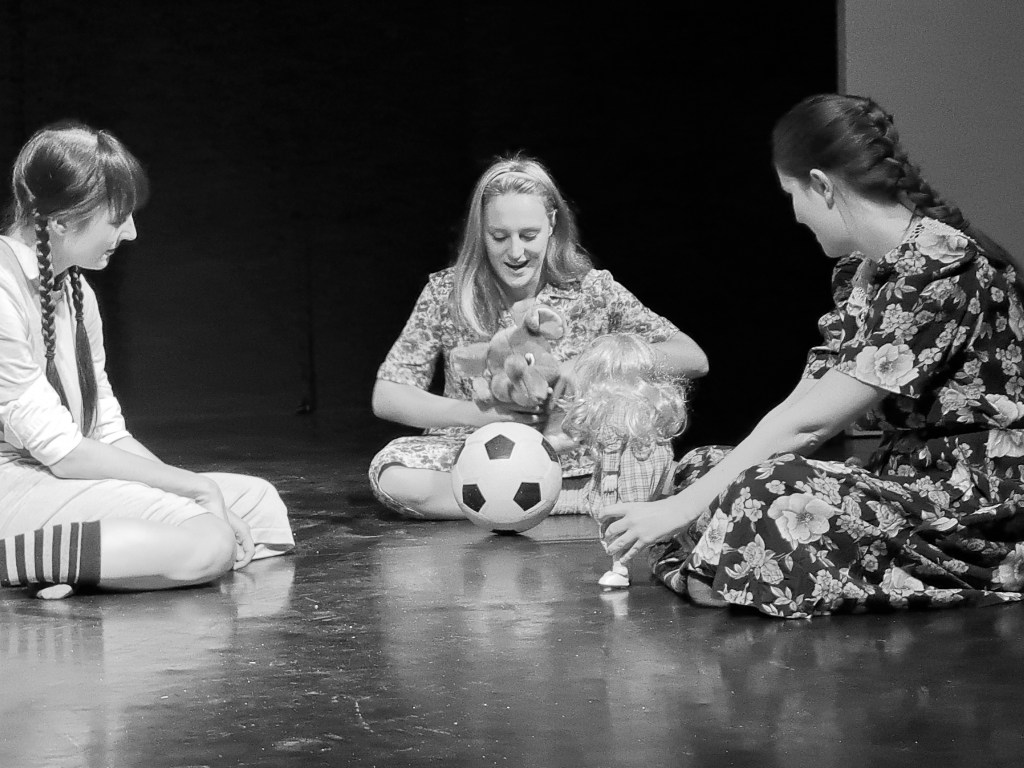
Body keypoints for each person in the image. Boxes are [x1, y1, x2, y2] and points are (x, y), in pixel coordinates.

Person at [601, 93, 1024, 619]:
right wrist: (693, 494)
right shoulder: (864, 271)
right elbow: (803, 403)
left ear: (821, 185)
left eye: (791, 194)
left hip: (974, 502)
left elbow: (811, 427)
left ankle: (713, 570)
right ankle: (721, 569)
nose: (795, 215)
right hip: (903, 477)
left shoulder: (942, 268)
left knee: (765, 489)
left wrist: (683, 510)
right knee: (703, 465)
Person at [0, 121, 294, 599]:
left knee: (258, 504)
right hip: (13, 483)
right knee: (210, 541)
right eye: (118, 218)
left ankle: (80, 561)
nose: (132, 232)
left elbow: (106, 432)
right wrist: (194, 493)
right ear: (60, 221)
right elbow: (65, 453)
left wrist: (186, 488)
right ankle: (41, 559)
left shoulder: (77, 292)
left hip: (52, 477)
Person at [370, 154, 708, 519]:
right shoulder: (447, 292)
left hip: (572, 454)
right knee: (394, 476)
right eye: (499, 237)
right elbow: (388, 395)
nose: (515, 252)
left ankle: (530, 503)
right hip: (476, 454)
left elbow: (692, 357)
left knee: (645, 454)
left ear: (551, 224)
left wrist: (592, 363)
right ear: (481, 231)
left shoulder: (592, 290)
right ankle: (565, 502)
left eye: (528, 236)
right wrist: (483, 416)